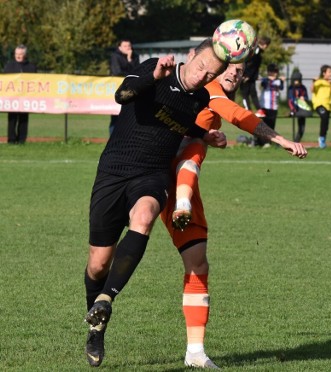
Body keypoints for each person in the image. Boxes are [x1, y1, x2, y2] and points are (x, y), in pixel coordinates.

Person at [82, 37, 229, 367]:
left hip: (152, 175)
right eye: (202, 67)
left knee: (146, 215)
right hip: (113, 171)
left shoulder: (201, 97)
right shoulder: (154, 69)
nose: (203, 76)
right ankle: (96, 326)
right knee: (98, 264)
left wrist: (204, 135)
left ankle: (107, 298)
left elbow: (178, 120)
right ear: (191, 56)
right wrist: (154, 78)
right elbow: (122, 95)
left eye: (211, 74)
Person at [161, 62, 307, 368]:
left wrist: (212, 135)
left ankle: (195, 353)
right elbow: (243, 118)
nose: (232, 74)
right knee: (195, 145)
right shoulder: (209, 91)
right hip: (148, 171)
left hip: (175, 179)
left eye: (239, 71)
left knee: (198, 262)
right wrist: (282, 141)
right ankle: (100, 307)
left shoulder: (210, 95)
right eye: (228, 67)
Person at [3, 44, 37, 144]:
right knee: (12, 119)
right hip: (12, 98)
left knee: (24, 119)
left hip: (26, 98)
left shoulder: (31, 67)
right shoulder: (9, 66)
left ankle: (22, 140)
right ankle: (11, 140)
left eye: (20, 54)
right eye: (16, 54)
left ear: (25, 55)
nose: (18, 56)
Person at [108, 39, 140, 135]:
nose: (128, 48)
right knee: (115, 117)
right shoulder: (115, 56)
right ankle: (113, 138)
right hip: (117, 89)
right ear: (119, 47)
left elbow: (138, 71)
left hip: (131, 90)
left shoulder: (135, 57)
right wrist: (130, 67)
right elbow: (117, 72)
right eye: (125, 46)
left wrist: (130, 59)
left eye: (129, 46)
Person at [254, 63, 284, 147]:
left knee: (271, 125)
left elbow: (281, 87)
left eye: (275, 72)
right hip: (264, 106)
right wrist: (271, 79)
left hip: (274, 107)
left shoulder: (278, 81)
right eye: (271, 72)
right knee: (262, 125)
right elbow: (264, 84)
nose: (273, 74)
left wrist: (281, 80)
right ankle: (260, 142)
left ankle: (268, 142)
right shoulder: (265, 80)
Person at [240, 36, 271, 118]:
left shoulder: (257, 50)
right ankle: (252, 110)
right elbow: (251, 64)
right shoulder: (256, 50)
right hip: (248, 76)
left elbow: (253, 64)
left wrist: (249, 75)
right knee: (248, 94)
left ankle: (251, 110)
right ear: (265, 45)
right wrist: (247, 75)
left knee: (248, 94)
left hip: (249, 76)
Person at [312, 64, 331, 149]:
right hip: (319, 105)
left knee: (326, 124)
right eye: (329, 72)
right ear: (324, 73)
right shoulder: (319, 81)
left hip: (328, 106)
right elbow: (312, 90)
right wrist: (314, 82)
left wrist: (330, 84)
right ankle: (321, 139)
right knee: (324, 117)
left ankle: (323, 140)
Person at [287, 70, 311, 142]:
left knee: (302, 127)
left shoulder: (303, 88)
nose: (296, 82)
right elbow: (290, 98)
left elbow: (306, 97)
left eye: (297, 80)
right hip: (294, 108)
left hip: (301, 109)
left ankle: (296, 141)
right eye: (295, 80)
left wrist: (303, 98)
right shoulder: (291, 88)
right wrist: (294, 105)